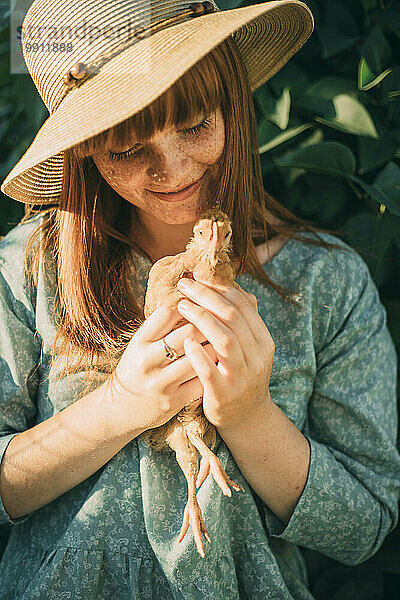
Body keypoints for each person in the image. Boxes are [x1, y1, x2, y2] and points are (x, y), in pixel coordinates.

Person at [0, 0, 399, 598]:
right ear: (84, 149)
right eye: (128, 147)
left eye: (194, 123)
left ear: (231, 103)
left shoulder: (325, 281)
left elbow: (364, 525)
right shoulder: (28, 269)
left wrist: (250, 418)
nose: (175, 165)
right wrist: (120, 405)